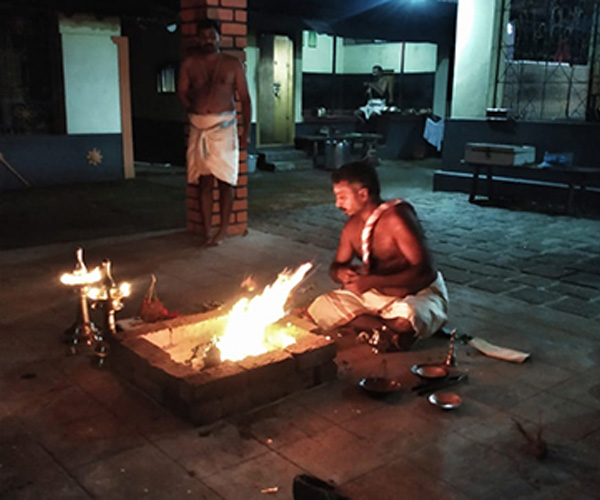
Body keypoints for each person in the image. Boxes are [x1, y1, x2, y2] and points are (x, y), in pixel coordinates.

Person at [306, 161, 448, 351]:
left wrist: (371, 281)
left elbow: (425, 272)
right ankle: (387, 331)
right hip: (376, 296)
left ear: (363, 194)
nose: (337, 204)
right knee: (321, 306)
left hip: (416, 294)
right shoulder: (351, 228)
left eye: (342, 197)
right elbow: (336, 267)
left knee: (409, 316)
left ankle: (375, 327)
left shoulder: (396, 218)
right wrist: (342, 273)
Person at [178, 18, 251, 246]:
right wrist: (193, 108)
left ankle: (223, 230)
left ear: (219, 37)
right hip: (199, 126)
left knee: (226, 181)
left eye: (212, 36)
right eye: (203, 37)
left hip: (225, 127)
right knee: (204, 181)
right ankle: (208, 231)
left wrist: (246, 132)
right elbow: (181, 92)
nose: (208, 41)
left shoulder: (232, 64)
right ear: (198, 39)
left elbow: (245, 99)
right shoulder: (190, 64)